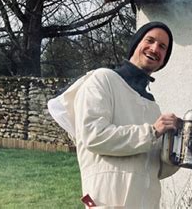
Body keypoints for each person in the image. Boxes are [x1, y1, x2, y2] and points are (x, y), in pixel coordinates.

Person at [48, 21, 180, 208]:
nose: (155, 48)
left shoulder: (152, 106)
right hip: (107, 201)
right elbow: (93, 135)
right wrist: (152, 132)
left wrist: (179, 153)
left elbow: (154, 169)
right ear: (136, 44)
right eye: (150, 40)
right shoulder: (103, 79)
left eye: (162, 47)